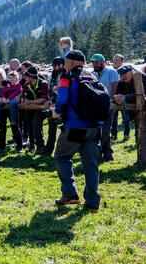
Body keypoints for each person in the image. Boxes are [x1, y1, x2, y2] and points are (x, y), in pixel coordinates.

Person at [52, 50, 102, 212]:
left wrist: (56, 112)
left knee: (61, 156)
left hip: (75, 125)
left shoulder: (67, 77)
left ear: (72, 62)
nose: (64, 64)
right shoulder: (92, 76)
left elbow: (61, 100)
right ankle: (92, 202)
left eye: (66, 62)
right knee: (91, 163)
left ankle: (70, 194)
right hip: (95, 126)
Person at [91, 54, 118, 162]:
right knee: (98, 130)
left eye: (97, 62)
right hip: (96, 107)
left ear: (103, 62)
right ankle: (107, 155)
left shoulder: (112, 72)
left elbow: (114, 89)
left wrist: (104, 101)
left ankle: (100, 154)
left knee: (105, 130)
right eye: (93, 62)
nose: (95, 64)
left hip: (108, 105)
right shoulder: (93, 74)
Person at [22, 66, 50, 155]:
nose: (24, 78)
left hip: (44, 109)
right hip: (31, 109)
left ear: (30, 77)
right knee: (30, 126)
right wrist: (24, 100)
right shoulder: (27, 85)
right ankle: (32, 145)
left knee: (35, 124)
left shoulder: (43, 84)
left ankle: (40, 147)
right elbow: (24, 95)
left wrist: (30, 101)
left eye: (26, 76)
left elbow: (43, 99)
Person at [0, 71, 24, 152]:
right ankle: (1, 147)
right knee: (2, 128)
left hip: (12, 109)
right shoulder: (7, 86)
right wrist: (3, 98)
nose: (11, 79)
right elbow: (2, 92)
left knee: (15, 128)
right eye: (9, 78)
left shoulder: (18, 86)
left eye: (13, 78)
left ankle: (19, 146)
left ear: (17, 78)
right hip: (4, 108)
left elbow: (16, 93)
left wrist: (9, 99)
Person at [114, 65, 145, 136]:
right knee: (139, 135)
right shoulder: (121, 83)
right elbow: (118, 95)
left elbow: (143, 95)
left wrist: (126, 97)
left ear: (131, 72)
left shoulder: (142, 78)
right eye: (121, 75)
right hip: (135, 111)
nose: (122, 76)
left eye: (124, 74)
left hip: (143, 108)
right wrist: (116, 99)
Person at [110, 54, 130, 140]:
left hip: (123, 97)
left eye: (117, 60)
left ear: (122, 61)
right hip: (114, 97)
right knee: (113, 118)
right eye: (114, 60)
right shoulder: (111, 71)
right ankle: (114, 135)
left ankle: (126, 134)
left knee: (125, 117)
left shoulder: (126, 71)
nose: (115, 61)